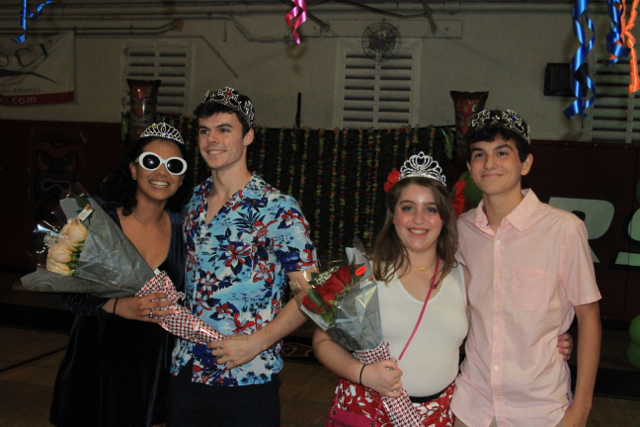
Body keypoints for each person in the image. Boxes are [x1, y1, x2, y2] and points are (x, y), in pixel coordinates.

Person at [167, 87, 317, 427]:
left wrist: (255, 344)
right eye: (205, 131)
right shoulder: (190, 200)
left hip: (247, 376)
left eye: (224, 129)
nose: (211, 140)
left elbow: (314, 294)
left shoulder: (277, 208)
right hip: (186, 370)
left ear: (248, 136)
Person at [451, 109, 602, 427]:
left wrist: (580, 410)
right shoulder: (460, 231)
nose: (489, 164)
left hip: (540, 411)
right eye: (479, 155)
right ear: (469, 167)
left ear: (526, 163)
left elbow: (589, 318)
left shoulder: (563, 229)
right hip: (471, 405)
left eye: (502, 153)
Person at [46, 122, 193, 427]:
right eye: (151, 162)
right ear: (133, 169)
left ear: (182, 178)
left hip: (149, 376)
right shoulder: (95, 218)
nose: (162, 172)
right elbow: (53, 280)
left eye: (174, 165)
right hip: (94, 367)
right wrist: (114, 305)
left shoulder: (186, 230)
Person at [313, 153, 467, 427]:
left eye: (431, 209)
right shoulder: (365, 272)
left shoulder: (462, 276)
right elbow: (322, 341)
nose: (418, 219)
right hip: (368, 409)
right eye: (408, 207)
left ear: (445, 217)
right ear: (394, 216)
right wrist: (361, 373)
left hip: (436, 417)